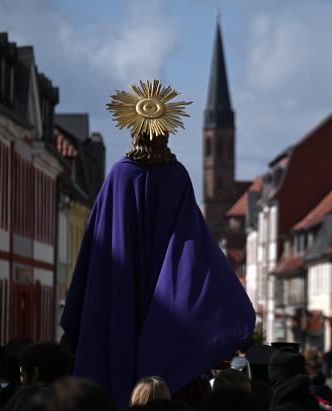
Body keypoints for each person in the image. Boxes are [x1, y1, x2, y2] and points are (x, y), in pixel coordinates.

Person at [60, 80, 255, 407]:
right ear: (165, 131)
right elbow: (195, 246)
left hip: (118, 295)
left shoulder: (119, 176)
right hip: (168, 304)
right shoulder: (176, 175)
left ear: (133, 130)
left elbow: (97, 245)